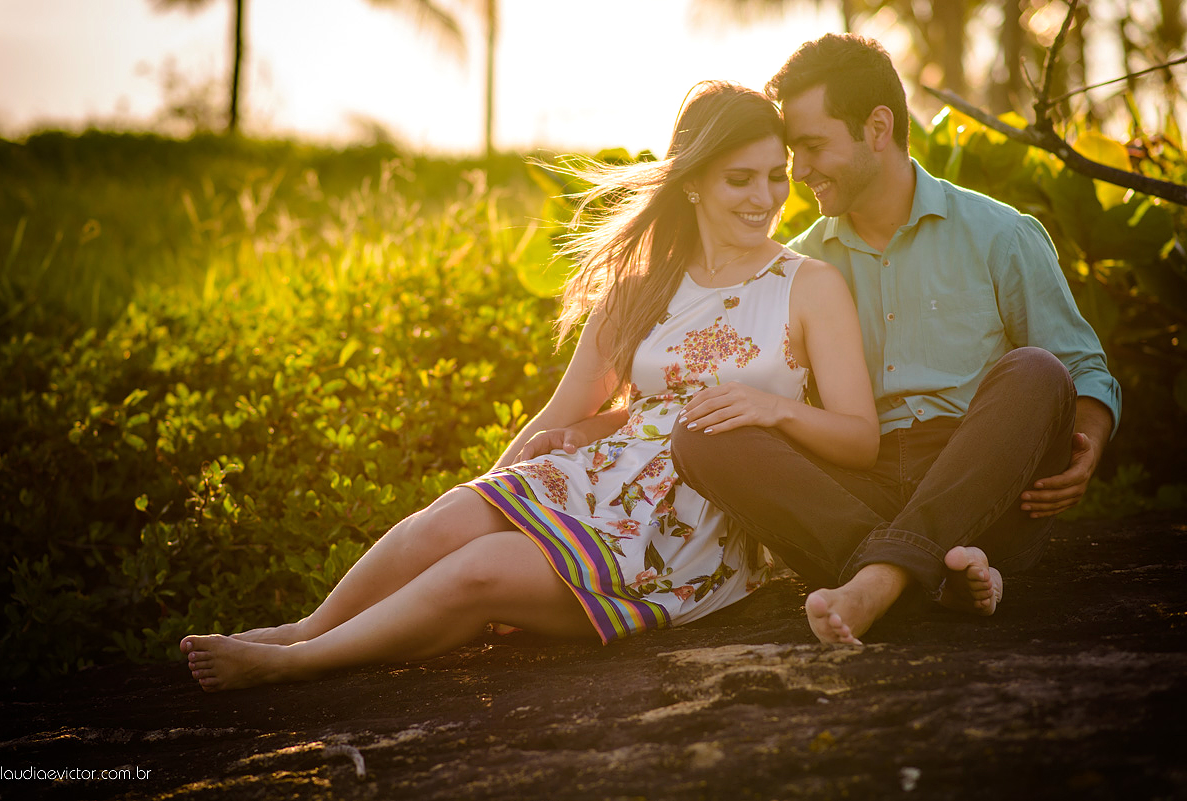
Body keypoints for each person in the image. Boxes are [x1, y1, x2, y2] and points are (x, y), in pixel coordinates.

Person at [180, 81, 878, 691]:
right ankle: (302, 629)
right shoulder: (642, 287)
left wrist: (775, 409)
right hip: (597, 483)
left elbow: (860, 439)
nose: (766, 198)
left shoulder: (808, 286)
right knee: (454, 519)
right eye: (740, 178)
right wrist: (494, 491)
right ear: (692, 181)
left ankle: (297, 666)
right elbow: (563, 411)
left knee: (479, 570)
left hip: (689, 531)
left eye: (776, 175)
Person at [666, 34, 1122, 645]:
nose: (797, 173)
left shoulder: (1000, 234)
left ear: (877, 128)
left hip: (984, 479)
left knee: (1037, 371)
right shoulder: (797, 269)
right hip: (858, 485)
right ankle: (934, 575)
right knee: (701, 435)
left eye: (812, 146)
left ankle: (875, 581)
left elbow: (1080, 366)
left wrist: (1088, 435)